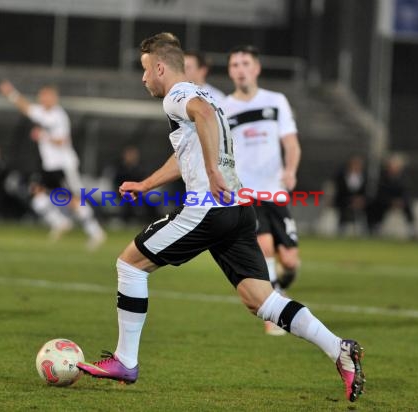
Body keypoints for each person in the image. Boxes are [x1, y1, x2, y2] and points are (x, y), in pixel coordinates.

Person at [76, 32, 365, 403]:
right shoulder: (208, 93)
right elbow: (190, 145)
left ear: (161, 67)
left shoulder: (179, 95)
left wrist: (212, 171)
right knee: (261, 300)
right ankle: (338, 348)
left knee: (130, 265)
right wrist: (148, 182)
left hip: (207, 208)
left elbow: (203, 115)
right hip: (239, 209)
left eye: (145, 70)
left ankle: (125, 360)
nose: (143, 78)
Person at [221, 45, 302, 336]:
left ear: (256, 68)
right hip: (246, 192)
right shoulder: (224, 108)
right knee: (264, 246)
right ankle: (274, 313)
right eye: (234, 64)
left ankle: (281, 284)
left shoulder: (276, 101)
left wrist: (290, 170)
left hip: (275, 191)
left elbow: (291, 143)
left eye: (245, 63)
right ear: (230, 71)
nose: (240, 69)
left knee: (290, 260)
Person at [0, 81, 106, 249]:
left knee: (74, 199)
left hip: (64, 165)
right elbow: (26, 108)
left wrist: (42, 135)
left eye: (46, 96)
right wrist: (11, 93)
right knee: (37, 194)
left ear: (54, 98)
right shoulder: (42, 112)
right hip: (49, 166)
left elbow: (62, 140)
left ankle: (96, 232)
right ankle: (60, 222)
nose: (42, 99)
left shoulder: (58, 116)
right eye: (41, 96)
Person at [367, 154, 416, 238]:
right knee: (375, 205)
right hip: (386, 202)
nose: (393, 168)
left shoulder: (404, 179)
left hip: (401, 202)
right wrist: (391, 201)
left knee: (408, 206)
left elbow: (407, 193)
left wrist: (401, 201)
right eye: (391, 166)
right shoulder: (383, 178)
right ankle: (375, 227)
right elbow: (381, 194)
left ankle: (412, 229)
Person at [333, 155, 368, 236]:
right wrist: (351, 199)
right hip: (344, 200)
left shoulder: (364, 177)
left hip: (359, 202)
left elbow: (365, 191)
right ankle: (341, 228)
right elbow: (340, 190)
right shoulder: (341, 176)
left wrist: (359, 199)